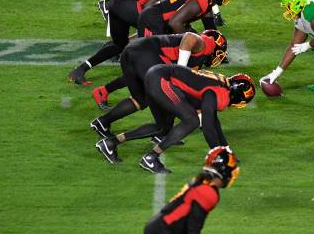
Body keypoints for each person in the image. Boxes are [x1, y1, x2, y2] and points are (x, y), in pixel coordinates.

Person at [69, 0, 203, 86]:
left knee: (118, 45)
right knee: (156, 38)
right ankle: (163, 73)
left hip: (118, 2)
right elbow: (148, 9)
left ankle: (80, 70)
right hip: (129, 7)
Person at [97, 65, 254, 173]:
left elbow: (213, 120)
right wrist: (219, 155)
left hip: (158, 77)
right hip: (162, 81)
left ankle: (110, 143)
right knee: (192, 121)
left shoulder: (222, 84)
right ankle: (151, 157)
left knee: (163, 127)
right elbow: (207, 126)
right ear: (237, 94)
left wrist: (226, 150)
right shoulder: (220, 94)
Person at [90, 30, 227, 148]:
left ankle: (102, 122)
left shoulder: (194, 59)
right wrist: (180, 69)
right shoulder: (203, 43)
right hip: (144, 53)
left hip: (133, 52)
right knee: (168, 96)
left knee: (142, 99)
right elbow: (189, 38)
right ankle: (157, 137)